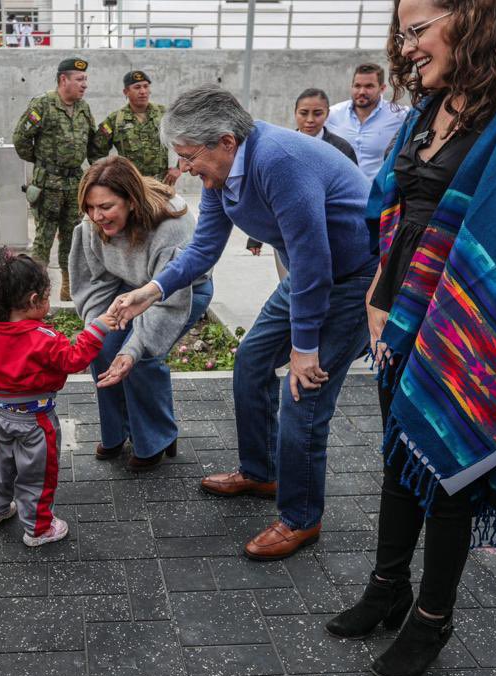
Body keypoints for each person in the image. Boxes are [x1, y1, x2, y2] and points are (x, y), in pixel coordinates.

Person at [323, 0, 496, 676]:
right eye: (402, 33)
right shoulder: (436, 100)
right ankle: (389, 588)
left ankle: (432, 621)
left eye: (417, 29)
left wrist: (477, 321)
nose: (407, 46)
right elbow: (395, 200)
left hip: (477, 327)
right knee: (400, 455)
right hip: (401, 318)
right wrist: (376, 294)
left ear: (476, 15)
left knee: (451, 472)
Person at [109, 84, 375, 560]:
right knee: (252, 360)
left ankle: (301, 518)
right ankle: (261, 471)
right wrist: (150, 292)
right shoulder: (222, 177)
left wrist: (305, 348)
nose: (186, 168)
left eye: (190, 156)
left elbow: (315, 261)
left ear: (226, 141)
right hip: (309, 274)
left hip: (352, 279)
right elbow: (205, 247)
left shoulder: (279, 162)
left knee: (304, 396)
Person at [69, 156, 213, 471]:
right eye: (90, 208)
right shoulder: (93, 222)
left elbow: (167, 298)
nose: (97, 216)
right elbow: (96, 282)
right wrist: (99, 326)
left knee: (141, 356)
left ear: (132, 201)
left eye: (106, 207)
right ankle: (117, 430)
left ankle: (157, 437)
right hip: (127, 284)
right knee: (104, 348)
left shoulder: (170, 227)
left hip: (181, 291)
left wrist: (133, 348)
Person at [0, 249, 116, 546]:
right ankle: (38, 528)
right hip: (36, 419)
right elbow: (74, 359)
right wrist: (99, 327)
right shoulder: (41, 339)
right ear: (34, 300)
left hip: (1, 411)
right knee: (38, 472)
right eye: (47, 296)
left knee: (4, 459)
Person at [12, 57, 97, 301]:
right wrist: (42, 163)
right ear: (63, 80)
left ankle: (68, 289)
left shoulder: (84, 108)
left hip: (74, 184)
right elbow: (20, 140)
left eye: (85, 80)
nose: (84, 85)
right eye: (79, 79)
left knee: (72, 237)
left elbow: (91, 143)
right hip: (48, 185)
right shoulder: (43, 105)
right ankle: (34, 292)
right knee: (43, 239)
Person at [246, 88, 357, 257]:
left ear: (327, 114)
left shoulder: (341, 149)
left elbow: (353, 194)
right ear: (295, 113)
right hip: (286, 233)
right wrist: (255, 237)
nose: (310, 120)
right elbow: (265, 193)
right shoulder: (279, 147)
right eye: (304, 113)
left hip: (330, 231)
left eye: (317, 113)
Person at [91, 70, 182, 185]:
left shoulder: (164, 114)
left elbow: (187, 139)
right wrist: (109, 176)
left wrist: (179, 167)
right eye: (137, 87)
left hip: (161, 184)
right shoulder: (115, 120)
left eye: (146, 86)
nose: (143, 91)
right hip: (130, 185)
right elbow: (96, 152)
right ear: (126, 92)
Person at [326, 63, 410, 182]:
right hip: (342, 192)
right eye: (357, 86)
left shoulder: (400, 115)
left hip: (378, 193)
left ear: (382, 88)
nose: (361, 91)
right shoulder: (332, 114)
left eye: (369, 86)